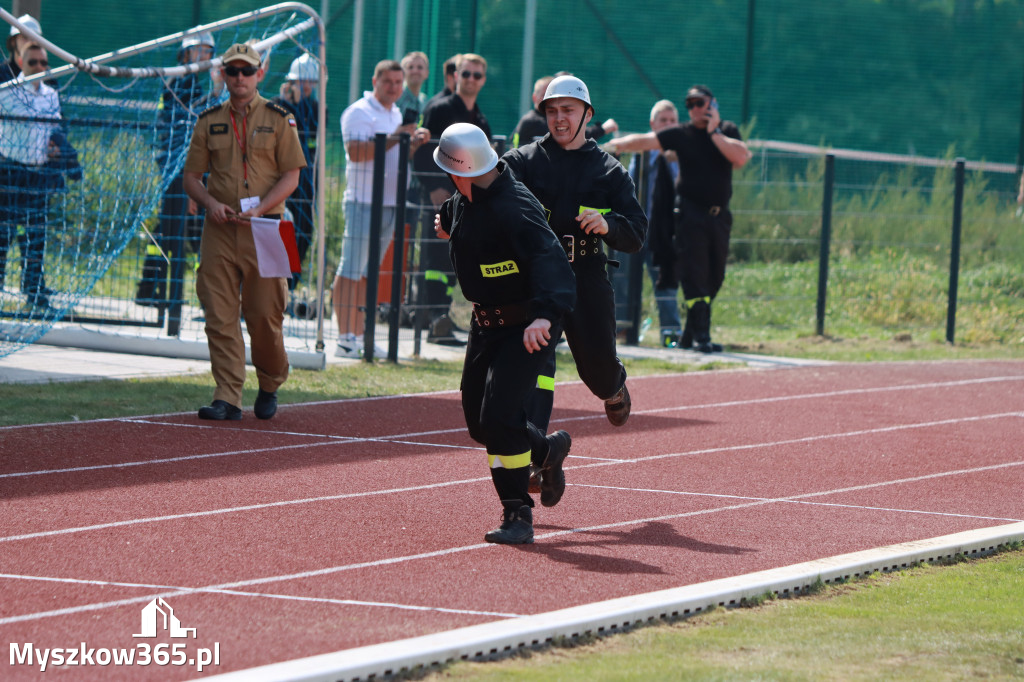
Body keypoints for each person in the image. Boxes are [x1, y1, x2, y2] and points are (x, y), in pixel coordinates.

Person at [433, 122, 576, 544]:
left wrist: (545, 317)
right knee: (481, 424)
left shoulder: (516, 208)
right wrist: (447, 229)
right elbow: (464, 230)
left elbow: (553, 263)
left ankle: (518, 513)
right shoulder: (463, 200)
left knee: (499, 417)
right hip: (486, 324)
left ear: (458, 170)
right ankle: (548, 452)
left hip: (529, 325)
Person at [501, 75, 647, 435]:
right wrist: (450, 216)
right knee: (537, 362)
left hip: (585, 274)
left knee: (597, 370)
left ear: (587, 114)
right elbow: (485, 186)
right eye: (552, 111)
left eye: (568, 109)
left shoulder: (608, 169)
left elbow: (637, 232)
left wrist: (608, 225)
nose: (559, 118)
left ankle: (613, 387)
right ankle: (533, 451)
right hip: (536, 276)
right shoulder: (524, 160)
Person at [183, 43, 307, 421]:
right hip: (219, 229)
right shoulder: (207, 120)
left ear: (259, 75)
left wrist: (262, 206)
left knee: (266, 317)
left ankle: (270, 381)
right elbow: (191, 178)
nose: (239, 78)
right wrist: (209, 203)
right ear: (222, 74)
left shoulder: (281, 117)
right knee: (218, 314)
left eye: (246, 71)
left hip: (270, 227)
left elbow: (293, 175)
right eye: (232, 71)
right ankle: (227, 396)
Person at [606, 84, 751, 353]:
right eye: (691, 104)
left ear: (713, 103)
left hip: (719, 216)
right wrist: (609, 145)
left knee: (715, 276)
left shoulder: (727, 131)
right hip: (690, 214)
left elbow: (741, 157)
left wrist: (714, 132)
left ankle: (690, 335)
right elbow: (646, 140)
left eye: (701, 102)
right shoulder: (683, 134)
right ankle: (702, 336)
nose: (696, 108)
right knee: (694, 273)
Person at [333, 59, 430, 358]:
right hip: (363, 201)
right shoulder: (359, 112)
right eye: (388, 81)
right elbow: (357, 153)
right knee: (350, 269)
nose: (394, 88)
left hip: (391, 202)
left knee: (367, 272)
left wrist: (413, 143)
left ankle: (359, 335)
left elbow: (395, 153)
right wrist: (397, 136)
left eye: (398, 83)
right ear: (374, 81)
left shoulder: (397, 114)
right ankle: (344, 337)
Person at [136, 31, 221, 310]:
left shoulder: (189, 81)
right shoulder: (182, 82)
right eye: (199, 50)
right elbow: (192, 122)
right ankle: (160, 290)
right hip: (177, 165)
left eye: (208, 51)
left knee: (172, 228)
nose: (205, 56)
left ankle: (153, 287)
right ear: (186, 54)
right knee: (174, 228)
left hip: (181, 163)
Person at [414, 54, 491, 345]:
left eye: (477, 75)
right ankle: (434, 318)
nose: (471, 80)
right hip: (438, 198)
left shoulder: (479, 116)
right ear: (455, 75)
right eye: (466, 74)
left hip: (466, 201)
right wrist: (433, 186)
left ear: (483, 80)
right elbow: (422, 151)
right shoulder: (440, 108)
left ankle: (443, 316)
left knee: (454, 261)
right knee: (434, 259)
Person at [0, 43, 79, 312]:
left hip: (38, 174)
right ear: (21, 63)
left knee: (36, 238)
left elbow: (55, 127)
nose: (40, 68)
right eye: (33, 62)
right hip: (10, 172)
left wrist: (61, 150)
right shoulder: (7, 92)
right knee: (2, 236)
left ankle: (35, 295)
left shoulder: (50, 95)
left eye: (44, 63)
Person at [612, 99, 682, 346]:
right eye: (663, 121)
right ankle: (621, 329)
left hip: (665, 231)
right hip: (638, 228)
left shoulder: (679, 153)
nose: (668, 125)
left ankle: (671, 333)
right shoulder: (642, 152)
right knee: (623, 279)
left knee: (666, 281)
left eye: (673, 121)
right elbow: (631, 183)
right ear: (652, 124)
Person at [273, 52, 320, 301]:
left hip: (305, 180)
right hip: (281, 178)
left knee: (305, 231)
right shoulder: (279, 103)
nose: (307, 87)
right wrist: (288, 101)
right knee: (283, 229)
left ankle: (290, 284)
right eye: (302, 82)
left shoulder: (315, 107)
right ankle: (277, 283)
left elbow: (312, 137)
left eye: (311, 83)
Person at [510, 74, 618, 148]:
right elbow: (573, 133)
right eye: (545, 95)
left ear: (588, 115)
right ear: (534, 97)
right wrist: (602, 129)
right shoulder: (532, 120)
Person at [0, 14, 41, 83]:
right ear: (13, 41)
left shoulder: (46, 75)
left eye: (33, 38)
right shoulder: (1, 72)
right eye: (25, 37)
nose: (30, 42)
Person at [395, 51, 428, 123]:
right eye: (410, 67)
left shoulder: (424, 101)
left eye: (420, 67)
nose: (415, 71)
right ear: (402, 72)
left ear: (427, 73)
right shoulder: (394, 97)